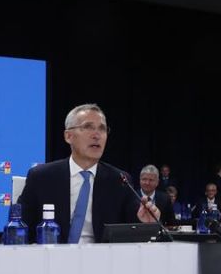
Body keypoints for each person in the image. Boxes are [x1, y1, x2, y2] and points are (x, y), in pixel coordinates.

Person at [18, 103, 160, 243]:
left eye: (102, 129)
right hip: (51, 259)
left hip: (102, 261)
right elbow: (19, 230)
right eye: (88, 127)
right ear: (68, 136)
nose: (97, 135)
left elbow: (132, 230)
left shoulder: (119, 180)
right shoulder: (41, 177)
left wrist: (146, 223)